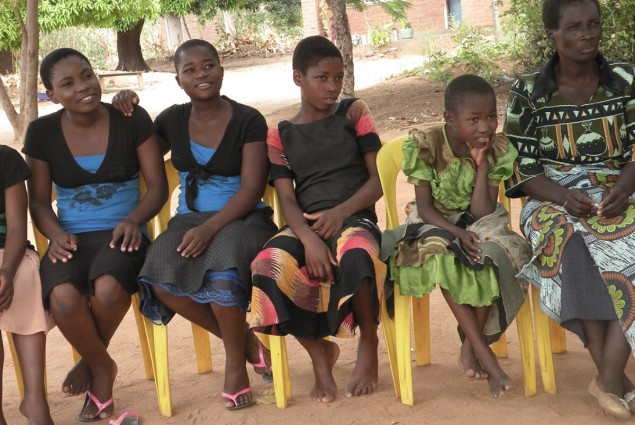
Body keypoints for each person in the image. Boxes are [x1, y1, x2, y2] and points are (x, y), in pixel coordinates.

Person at [111, 39, 277, 411]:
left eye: (209, 66)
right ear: (178, 80)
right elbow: (136, 149)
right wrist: (127, 109)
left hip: (243, 218)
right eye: (190, 69)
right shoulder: (171, 119)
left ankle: (236, 367)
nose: (201, 74)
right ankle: (248, 345)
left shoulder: (248, 119)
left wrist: (209, 228)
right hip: (188, 221)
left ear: (221, 69)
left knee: (222, 277)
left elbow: (252, 189)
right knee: (158, 278)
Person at [504, 0, 635, 419]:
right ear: (552, 36)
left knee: (629, 243)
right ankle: (612, 375)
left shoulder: (626, 81)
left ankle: (610, 378)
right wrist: (563, 198)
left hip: (621, 190)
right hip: (551, 198)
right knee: (571, 244)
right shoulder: (527, 93)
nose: (588, 34)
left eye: (594, 24)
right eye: (575, 27)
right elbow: (520, 172)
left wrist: (623, 188)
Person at [23, 48, 168, 421]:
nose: (84, 87)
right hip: (69, 237)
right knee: (63, 298)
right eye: (67, 83)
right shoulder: (41, 133)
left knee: (107, 288)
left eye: (87, 75)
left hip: (125, 233)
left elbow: (156, 187)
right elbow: (38, 202)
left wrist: (135, 219)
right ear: (51, 95)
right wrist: (54, 234)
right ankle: (102, 365)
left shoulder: (130, 119)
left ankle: (91, 364)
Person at [249, 35, 386, 404]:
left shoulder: (354, 113)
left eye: (338, 78)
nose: (332, 86)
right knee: (266, 265)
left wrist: (340, 212)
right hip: (304, 226)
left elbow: (377, 183)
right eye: (321, 77)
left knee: (355, 253)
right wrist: (308, 239)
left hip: (355, 217)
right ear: (298, 78)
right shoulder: (280, 133)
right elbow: (287, 198)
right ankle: (319, 355)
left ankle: (369, 343)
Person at [381, 74, 530, 397]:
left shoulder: (496, 149)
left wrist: (480, 168)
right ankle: (487, 357)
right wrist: (456, 232)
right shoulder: (427, 145)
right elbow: (424, 206)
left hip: (477, 221)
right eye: (473, 119)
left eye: (491, 116)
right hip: (432, 221)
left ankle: (469, 342)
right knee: (443, 254)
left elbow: (481, 212)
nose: (485, 127)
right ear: (449, 118)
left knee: (494, 256)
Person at [0, 145, 55, 425]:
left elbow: (18, 228)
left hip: (11, 253)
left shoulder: (5, 158)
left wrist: (6, 272)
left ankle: (35, 400)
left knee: (26, 276)